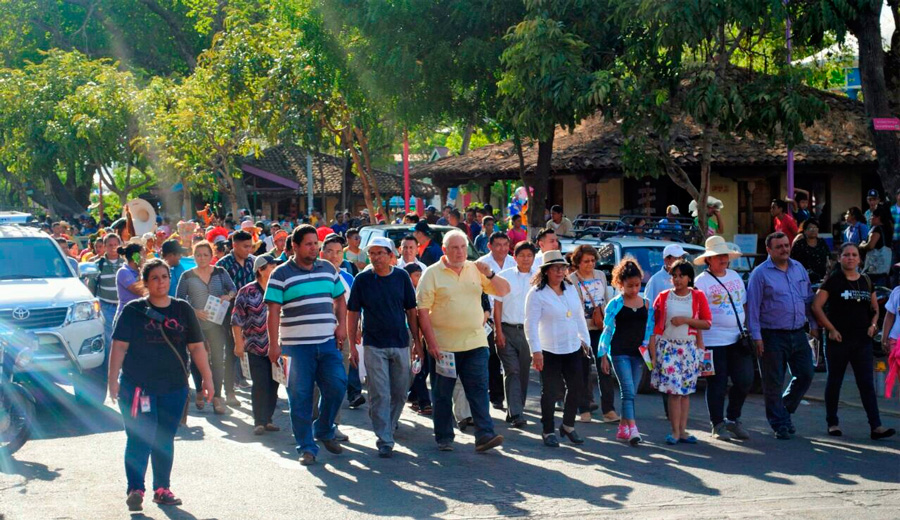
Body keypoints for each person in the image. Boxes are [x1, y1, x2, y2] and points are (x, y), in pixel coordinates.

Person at [108, 259, 213, 512]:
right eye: (154, 278)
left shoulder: (182, 309)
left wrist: (208, 379)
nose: (161, 282)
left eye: (164, 277)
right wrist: (112, 381)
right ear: (145, 282)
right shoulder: (133, 310)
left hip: (174, 386)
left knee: (164, 438)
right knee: (139, 437)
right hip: (137, 387)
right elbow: (119, 346)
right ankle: (136, 488)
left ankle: (162, 489)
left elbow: (197, 347)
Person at [416, 229, 510, 452]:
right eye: (455, 248)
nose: (460, 252)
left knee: (478, 390)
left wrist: (490, 275)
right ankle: (444, 437)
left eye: (462, 247)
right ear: (445, 250)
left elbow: (505, 291)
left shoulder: (475, 269)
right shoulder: (431, 274)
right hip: (444, 346)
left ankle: (484, 435)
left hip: (475, 342)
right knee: (442, 394)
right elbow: (422, 312)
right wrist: (432, 344)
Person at [265, 225, 348, 466]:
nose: (314, 248)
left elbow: (340, 299)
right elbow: (273, 312)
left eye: (316, 244)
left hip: (327, 342)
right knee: (299, 397)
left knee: (337, 385)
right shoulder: (280, 274)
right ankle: (306, 447)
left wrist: (341, 325)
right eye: (309, 244)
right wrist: (273, 345)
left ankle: (323, 427)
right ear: (295, 246)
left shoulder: (327, 269)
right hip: (295, 347)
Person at [347, 237, 422, 458]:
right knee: (379, 392)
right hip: (373, 344)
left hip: (400, 342)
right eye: (372, 253)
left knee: (399, 392)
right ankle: (385, 438)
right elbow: (352, 313)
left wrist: (417, 342)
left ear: (391, 256)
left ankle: (388, 423)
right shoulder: (362, 280)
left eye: (381, 253)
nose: (376, 257)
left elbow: (411, 310)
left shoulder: (401, 278)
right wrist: (352, 344)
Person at [811, 243, 895, 440]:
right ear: (840, 258)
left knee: (866, 383)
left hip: (862, 341)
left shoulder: (866, 280)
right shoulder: (833, 281)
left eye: (854, 255)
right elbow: (816, 306)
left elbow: (875, 309)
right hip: (838, 340)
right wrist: (830, 329)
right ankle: (832, 423)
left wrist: (874, 325)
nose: (850, 258)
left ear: (859, 259)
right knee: (835, 382)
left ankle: (876, 426)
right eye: (846, 255)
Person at [747, 232, 818, 440]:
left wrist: (813, 324)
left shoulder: (798, 268)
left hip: (798, 332)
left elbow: (807, 299)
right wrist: (757, 338)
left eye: (786, 245)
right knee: (773, 381)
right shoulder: (760, 274)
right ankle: (779, 424)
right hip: (771, 335)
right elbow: (753, 309)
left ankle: (784, 410)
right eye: (779, 247)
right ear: (769, 250)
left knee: (806, 374)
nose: (784, 249)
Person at [524, 250, 590, 447]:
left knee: (577, 387)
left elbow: (579, 316)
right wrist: (535, 351)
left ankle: (568, 425)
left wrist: (586, 342)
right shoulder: (536, 294)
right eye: (555, 268)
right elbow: (530, 324)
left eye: (563, 267)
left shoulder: (570, 288)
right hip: (549, 350)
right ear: (546, 271)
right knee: (550, 392)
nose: (560, 272)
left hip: (573, 346)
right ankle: (547, 430)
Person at [693, 236, 753, 440]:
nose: (723, 259)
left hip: (737, 338)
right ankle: (717, 424)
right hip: (713, 341)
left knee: (744, 380)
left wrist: (748, 327)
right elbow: (697, 313)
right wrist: (699, 342)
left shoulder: (735, 276)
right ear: (709, 260)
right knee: (717, 384)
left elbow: (743, 304)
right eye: (718, 256)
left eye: (725, 255)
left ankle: (733, 419)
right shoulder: (701, 282)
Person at [650, 260, 712, 445]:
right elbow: (653, 326)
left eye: (681, 276)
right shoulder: (663, 297)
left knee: (685, 393)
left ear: (689, 277)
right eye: (674, 276)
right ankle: (675, 431)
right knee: (674, 392)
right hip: (668, 348)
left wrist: (686, 320)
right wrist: (653, 353)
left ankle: (683, 431)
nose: (677, 279)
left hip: (689, 349)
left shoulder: (698, 296)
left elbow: (707, 323)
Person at [175, 240, 237, 415]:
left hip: (217, 322)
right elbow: (179, 299)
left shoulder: (220, 272)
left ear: (211, 256)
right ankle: (200, 391)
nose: (202, 258)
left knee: (218, 359)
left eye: (205, 255)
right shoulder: (187, 276)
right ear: (193, 256)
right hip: (195, 324)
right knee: (196, 359)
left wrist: (228, 296)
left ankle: (217, 396)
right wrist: (194, 311)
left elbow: (233, 288)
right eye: (198, 255)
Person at [599, 259, 655, 445]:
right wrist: (603, 355)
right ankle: (633, 429)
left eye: (637, 285)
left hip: (638, 354)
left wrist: (652, 355)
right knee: (628, 391)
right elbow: (607, 331)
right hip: (619, 352)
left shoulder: (647, 304)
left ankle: (623, 428)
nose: (634, 289)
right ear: (620, 284)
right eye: (629, 286)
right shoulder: (615, 304)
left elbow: (650, 331)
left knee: (632, 392)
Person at [567, 244, 618, 424]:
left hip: (600, 328)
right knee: (582, 370)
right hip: (581, 330)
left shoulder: (601, 275)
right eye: (586, 261)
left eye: (593, 260)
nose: (590, 264)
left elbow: (604, 298)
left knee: (605, 368)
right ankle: (584, 409)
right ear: (578, 262)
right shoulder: (571, 280)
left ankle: (609, 409)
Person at [232, 255, 282, 436]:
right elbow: (236, 319)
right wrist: (238, 343)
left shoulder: (278, 288)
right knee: (260, 384)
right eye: (272, 266)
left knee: (274, 384)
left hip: (276, 346)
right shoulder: (247, 291)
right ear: (260, 269)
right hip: (255, 346)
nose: (275, 268)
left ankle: (268, 419)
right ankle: (259, 421)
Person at [494, 241, 537, 428]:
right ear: (515, 257)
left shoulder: (539, 278)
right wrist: (498, 331)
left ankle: (515, 409)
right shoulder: (504, 277)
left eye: (529, 255)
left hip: (528, 331)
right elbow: (497, 305)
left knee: (524, 372)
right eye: (522, 255)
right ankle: (517, 412)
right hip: (507, 329)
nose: (526, 259)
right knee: (512, 370)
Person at [478, 231, 516, 410]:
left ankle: (513, 399)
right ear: (490, 246)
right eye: (498, 245)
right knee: (492, 358)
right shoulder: (481, 264)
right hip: (489, 318)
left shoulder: (513, 262)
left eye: (505, 245)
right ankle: (496, 396)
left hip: (509, 316)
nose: (502, 248)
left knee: (509, 359)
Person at [93, 234, 124, 361]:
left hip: (123, 306)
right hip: (105, 307)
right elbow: (91, 287)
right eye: (110, 245)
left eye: (116, 245)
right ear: (104, 247)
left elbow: (141, 261)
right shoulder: (97, 264)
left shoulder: (125, 263)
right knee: (110, 340)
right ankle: (109, 370)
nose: (113, 248)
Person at [860, 204, 894, 287]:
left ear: (878, 217)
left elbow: (871, 245)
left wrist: (862, 245)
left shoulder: (876, 229)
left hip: (874, 270)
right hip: (885, 269)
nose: (870, 218)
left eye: (872, 216)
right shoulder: (888, 228)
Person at [645, 244, 687, 309]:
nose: (680, 261)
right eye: (676, 258)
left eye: (681, 258)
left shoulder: (686, 278)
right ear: (666, 260)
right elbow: (649, 308)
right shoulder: (655, 280)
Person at [790, 219, 831, 283]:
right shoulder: (799, 244)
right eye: (810, 228)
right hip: (803, 278)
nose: (813, 230)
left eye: (815, 228)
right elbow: (792, 261)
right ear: (805, 231)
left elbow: (829, 257)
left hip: (821, 278)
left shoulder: (822, 242)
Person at [116, 242, 146, 318]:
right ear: (135, 256)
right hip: (125, 316)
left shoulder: (138, 272)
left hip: (137, 314)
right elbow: (140, 291)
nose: (145, 257)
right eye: (143, 254)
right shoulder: (123, 272)